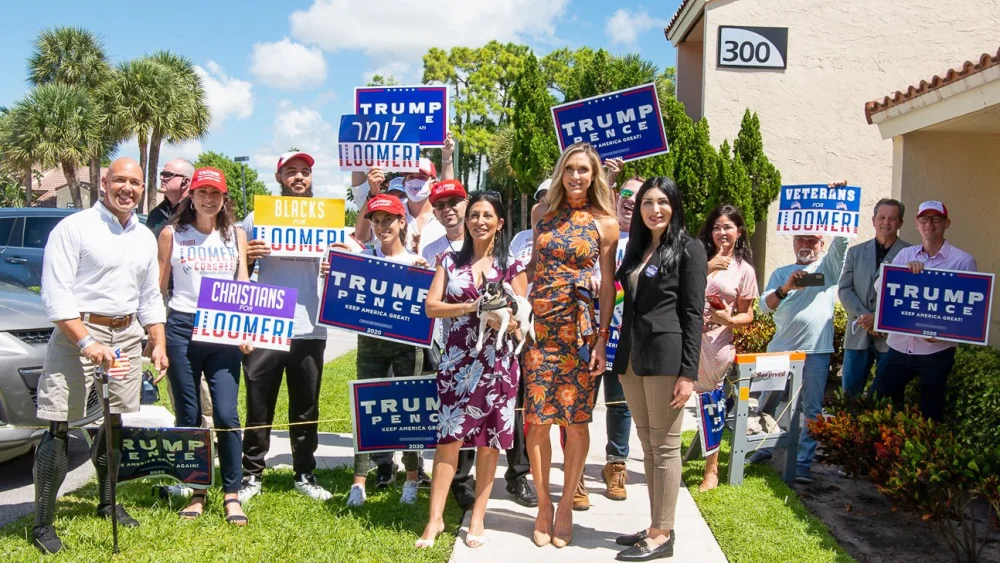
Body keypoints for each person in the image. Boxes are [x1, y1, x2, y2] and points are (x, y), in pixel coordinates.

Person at [31, 158, 169, 554]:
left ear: (144, 189)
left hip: (126, 335)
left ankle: (108, 502)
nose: (128, 188)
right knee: (60, 424)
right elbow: (55, 297)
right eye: (120, 181)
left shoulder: (144, 235)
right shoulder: (73, 228)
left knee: (115, 421)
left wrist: (156, 341)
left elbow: (149, 296)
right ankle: (43, 523)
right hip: (78, 332)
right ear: (104, 182)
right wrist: (87, 343)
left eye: (136, 183)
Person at [416, 191, 528, 549]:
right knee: (449, 442)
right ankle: (434, 520)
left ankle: (478, 517)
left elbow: (523, 324)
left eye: (487, 215)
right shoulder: (447, 260)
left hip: (499, 366)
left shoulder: (512, 268)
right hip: (457, 364)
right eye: (474, 214)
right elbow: (432, 307)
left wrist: (504, 321)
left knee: (488, 444)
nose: (480, 221)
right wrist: (469, 307)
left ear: (500, 223)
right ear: (467, 221)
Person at [523, 142, 619, 548]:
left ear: (595, 176)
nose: (576, 176)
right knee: (538, 420)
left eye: (584, 170)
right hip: (540, 330)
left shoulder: (606, 223)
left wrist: (601, 340)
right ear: (561, 173)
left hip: (579, 334)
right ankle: (543, 504)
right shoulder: (540, 214)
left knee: (576, 422)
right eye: (570, 169)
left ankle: (565, 505)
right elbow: (530, 269)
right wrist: (515, 310)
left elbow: (609, 290)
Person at [610, 177, 706, 562]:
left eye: (662, 201)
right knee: (648, 446)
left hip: (667, 359)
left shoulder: (689, 249)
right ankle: (655, 523)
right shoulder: (636, 250)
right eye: (647, 202)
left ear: (674, 205)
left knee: (665, 448)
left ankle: (662, 533)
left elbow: (693, 314)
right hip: (633, 358)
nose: (654, 209)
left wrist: (688, 373)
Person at [156, 167, 250, 525]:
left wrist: (247, 330)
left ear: (224, 198)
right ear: (190, 196)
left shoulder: (235, 234)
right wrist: (159, 340)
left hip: (224, 330)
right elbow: (159, 289)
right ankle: (197, 492)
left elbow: (243, 282)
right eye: (202, 193)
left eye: (216, 193)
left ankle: (232, 494)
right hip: (182, 327)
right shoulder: (171, 234)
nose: (209, 199)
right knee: (189, 415)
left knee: (226, 414)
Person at [238, 151, 333, 502]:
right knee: (259, 403)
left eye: (305, 172)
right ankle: (251, 475)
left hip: (310, 324)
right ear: (279, 178)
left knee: (306, 406)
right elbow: (238, 269)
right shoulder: (255, 218)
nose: (298, 178)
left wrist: (333, 267)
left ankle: (304, 473)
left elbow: (345, 262)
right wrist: (247, 256)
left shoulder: (326, 219)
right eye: (291, 172)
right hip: (267, 322)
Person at [330, 194, 429, 506]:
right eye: (376, 220)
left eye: (389, 219)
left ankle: (411, 479)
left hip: (406, 346)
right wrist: (332, 273)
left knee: (410, 412)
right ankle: (359, 483)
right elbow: (341, 290)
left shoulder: (416, 262)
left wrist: (425, 277)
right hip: (370, 346)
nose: (382, 225)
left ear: (402, 222)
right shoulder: (361, 258)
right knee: (366, 410)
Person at [753, 184, 849, 484]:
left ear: (821, 242)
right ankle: (762, 448)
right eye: (800, 238)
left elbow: (842, 242)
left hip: (816, 353)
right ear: (793, 241)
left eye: (812, 238)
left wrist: (838, 202)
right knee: (765, 404)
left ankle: (803, 463)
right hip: (780, 350)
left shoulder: (828, 270)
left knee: (812, 409)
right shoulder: (782, 273)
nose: (806, 243)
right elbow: (765, 307)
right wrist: (785, 289)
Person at [869, 201, 977, 421]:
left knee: (931, 414)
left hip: (936, 352)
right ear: (917, 224)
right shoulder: (904, 255)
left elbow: (969, 311)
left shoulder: (963, 261)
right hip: (899, 347)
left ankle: (925, 454)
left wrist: (945, 333)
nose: (930, 224)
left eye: (936, 218)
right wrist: (903, 274)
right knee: (876, 403)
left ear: (946, 223)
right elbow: (881, 286)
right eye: (924, 219)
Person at [694, 204, 758, 492]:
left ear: (739, 231)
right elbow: (675, 289)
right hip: (684, 337)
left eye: (728, 227)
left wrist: (730, 319)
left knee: (712, 404)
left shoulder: (744, 270)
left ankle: (711, 469)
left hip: (717, 343)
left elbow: (748, 314)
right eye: (717, 226)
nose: (722, 232)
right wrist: (705, 268)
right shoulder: (696, 257)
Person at [837, 199, 909, 397]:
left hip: (890, 338)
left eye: (892, 218)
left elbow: (909, 298)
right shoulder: (855, 252)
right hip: (858, 333)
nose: (886, 222)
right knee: (850, 395)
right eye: (882, 217)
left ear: (900, 223)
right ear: (873, 220)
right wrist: (866, 317)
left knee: (887, 397)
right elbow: (844, 289)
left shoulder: (910, 254)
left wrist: (880, 320)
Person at [352, 134, 456, 254]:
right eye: (410, 176)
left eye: (422, 177)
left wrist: (447, 158)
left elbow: (448, 189)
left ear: (434, 183)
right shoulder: (391, 211)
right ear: (404, 182)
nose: (415, 180)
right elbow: (361, 235)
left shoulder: (445, 214)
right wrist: (373, 193)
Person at [146, 158, 195, 237]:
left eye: (167, 175)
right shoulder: (155, 213)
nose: (161, 178)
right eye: (161, 174)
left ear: (186, 182)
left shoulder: (198, 212)